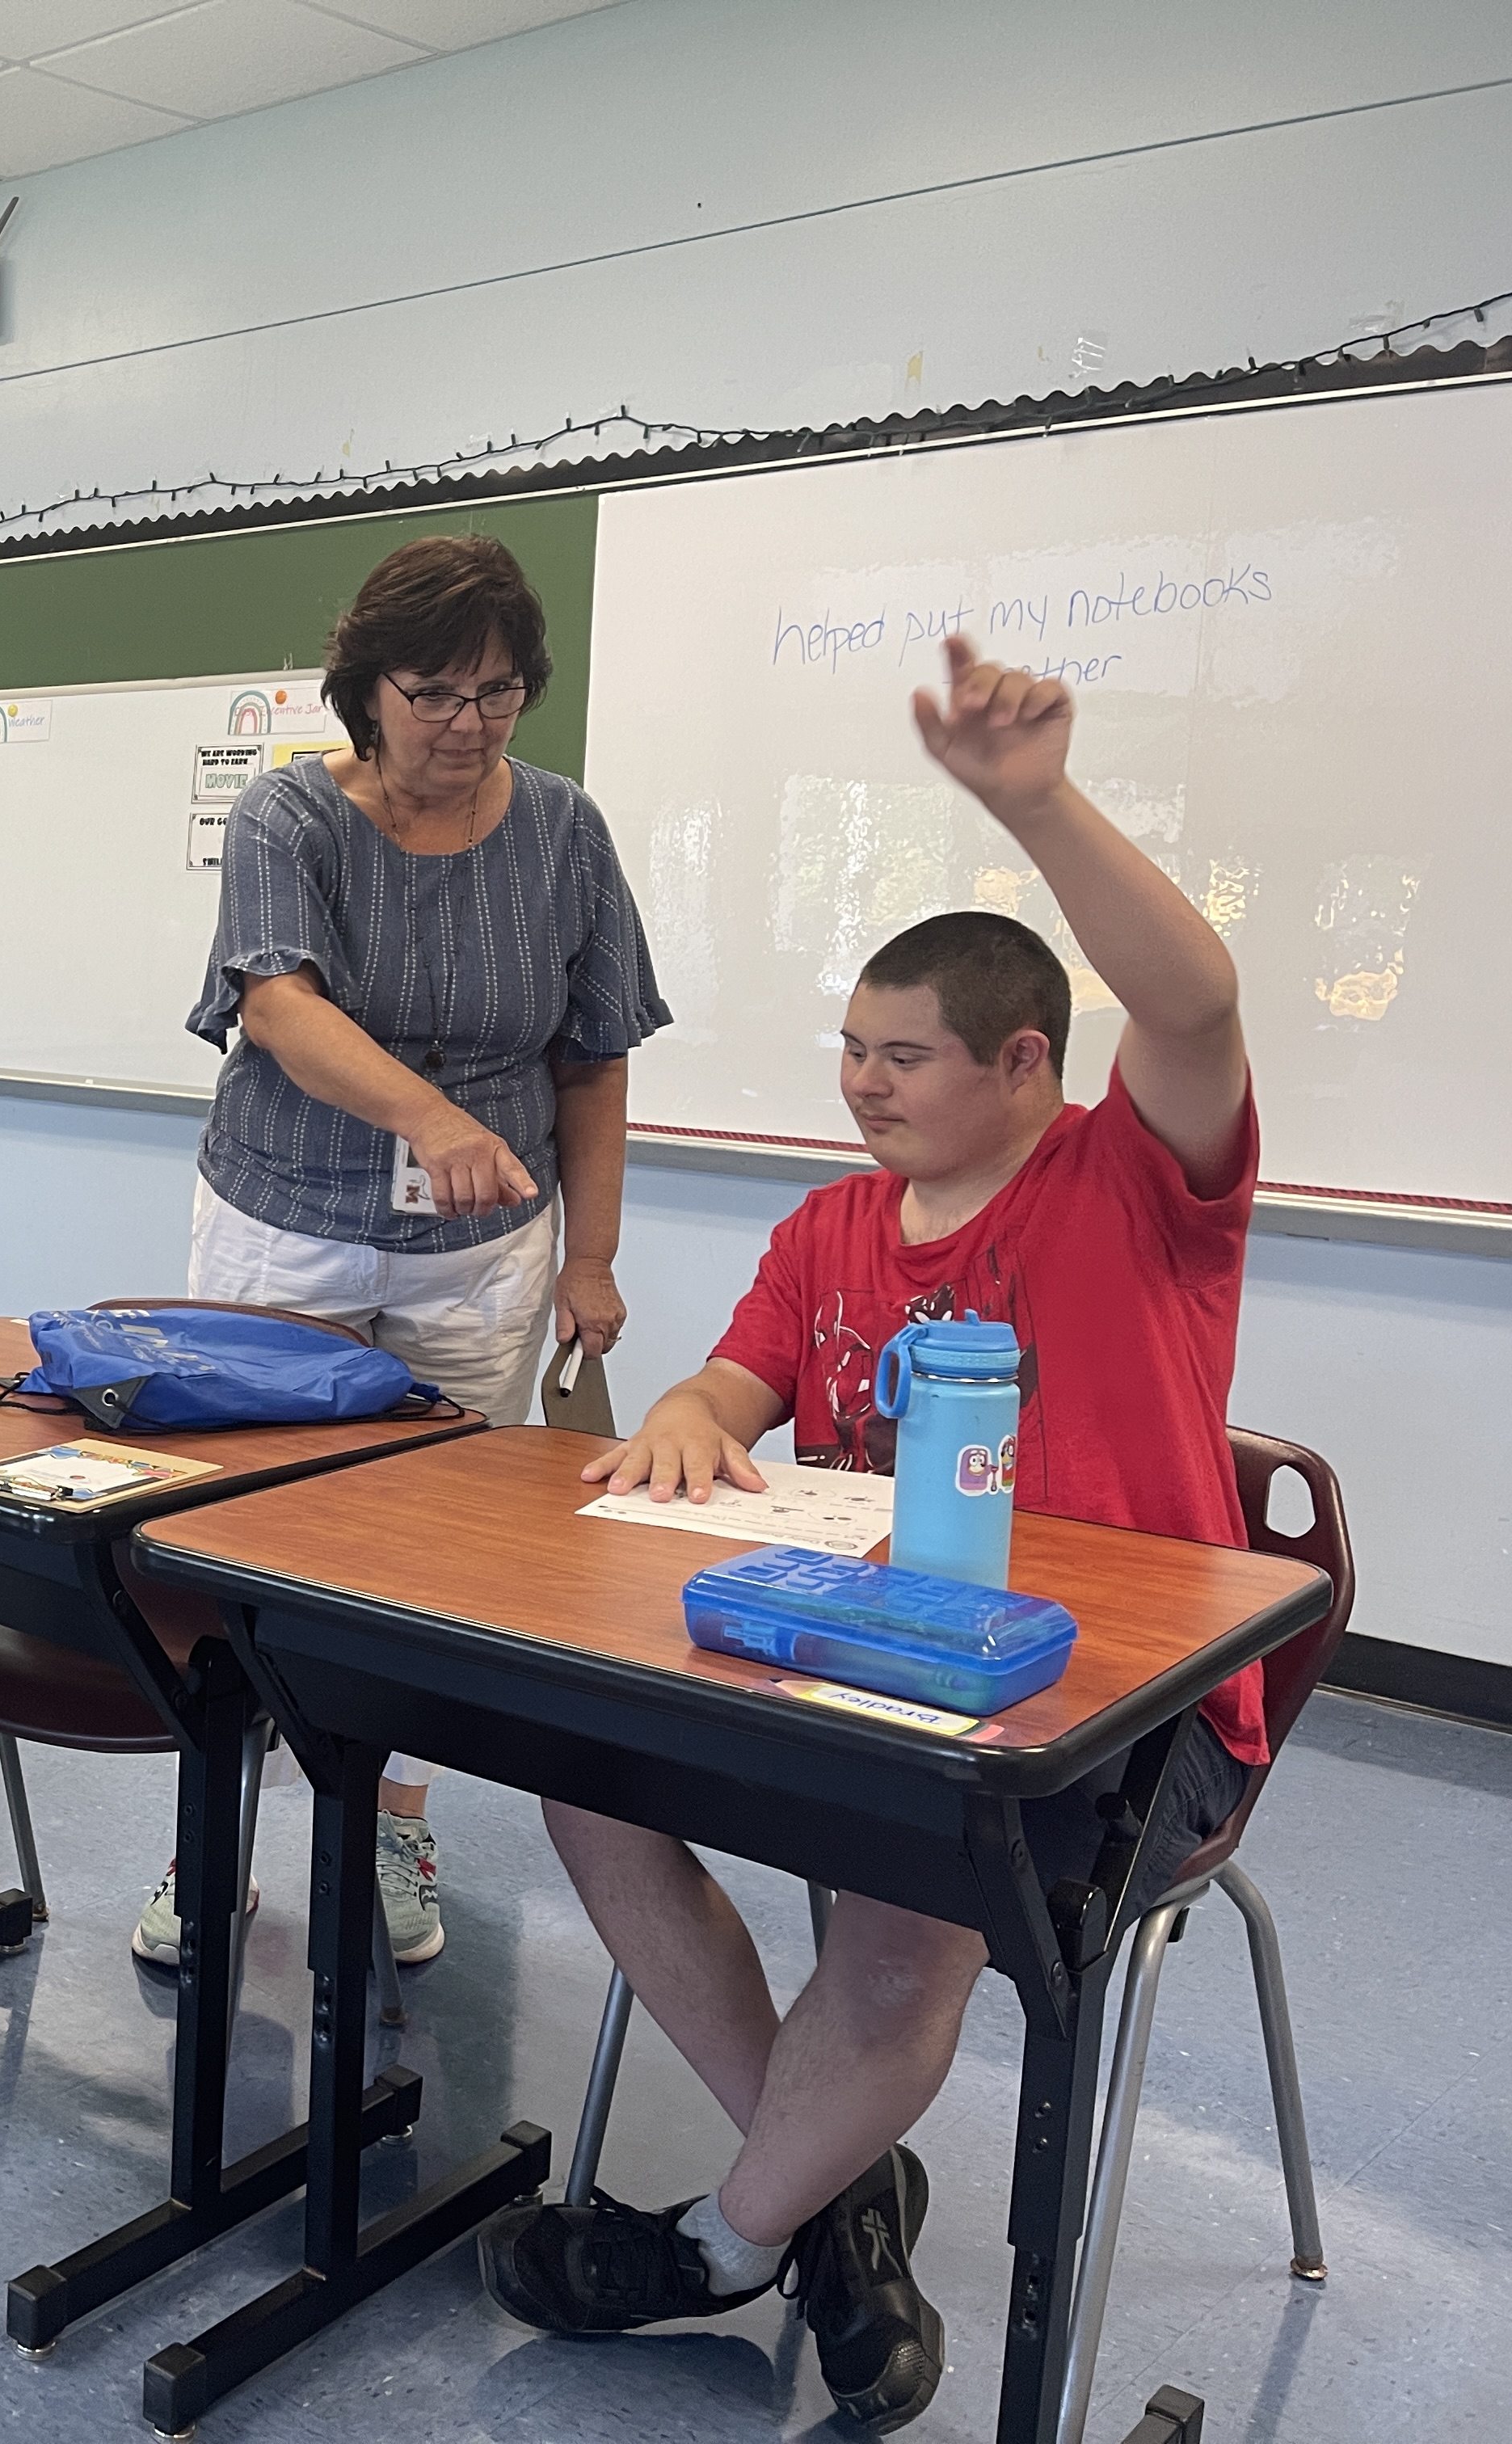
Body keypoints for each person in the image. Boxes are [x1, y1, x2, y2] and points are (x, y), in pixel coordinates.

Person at [476, 635, 1263, 2433]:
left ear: (1026, 1062)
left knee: (912, 1912)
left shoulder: (1136, 1186)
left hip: (1128, 1733)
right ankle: (831, 2204)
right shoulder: (834, 1226)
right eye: (848, 1049)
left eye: (902, 1057)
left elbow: (1200, 1003)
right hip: (859, 1686)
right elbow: (729, 1391)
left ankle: (728, 2240)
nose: (862, 1084)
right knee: (586, 1782)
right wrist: (685, 1416)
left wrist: (1034, 805)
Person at [133, 532, 672, 1974]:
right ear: (366, 691)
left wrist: (594, 1258)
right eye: (436, 692)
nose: (468, 725)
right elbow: (281, 1011)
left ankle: (391, 1822)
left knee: (426, 1554)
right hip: (281, 1227)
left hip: (482, 1257)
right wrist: (431, 1117)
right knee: (247, 1530)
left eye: (498, 693)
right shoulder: (287, 818)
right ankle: (210, 1833)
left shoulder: (565, 831)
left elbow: (595, 1058)